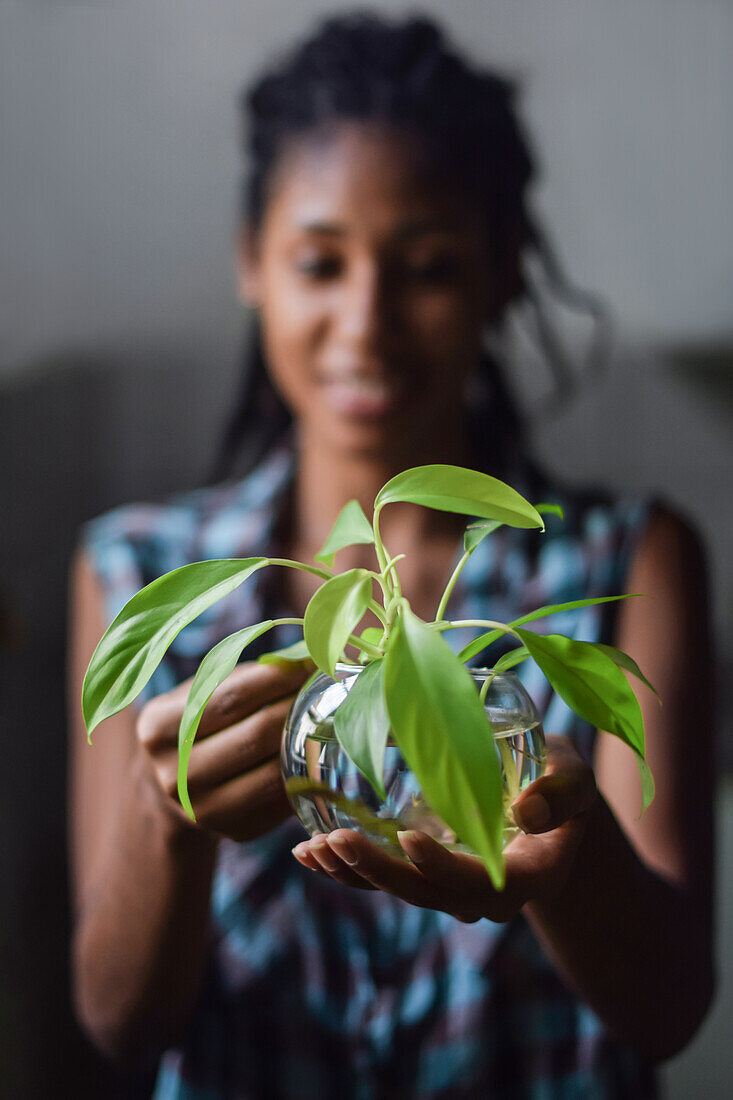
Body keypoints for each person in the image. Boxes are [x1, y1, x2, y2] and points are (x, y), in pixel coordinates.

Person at [68, 14, 714, 1098]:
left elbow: (670, 1008)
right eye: (320, 262)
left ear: (503, 271)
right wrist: (162, 818)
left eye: (426, 267)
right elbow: (118, 1022)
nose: (364, 323)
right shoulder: (139, 568)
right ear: (252, 263)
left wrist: (572, 857)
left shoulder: (625, 559)